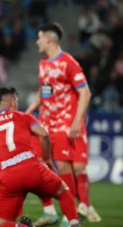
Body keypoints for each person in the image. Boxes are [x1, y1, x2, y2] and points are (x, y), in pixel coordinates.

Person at [0, 87, 80, 227]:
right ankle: (74, 224)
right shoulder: (24, 117)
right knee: (63, 191)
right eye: (17, 101)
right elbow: (44, 134)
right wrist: (46, 158)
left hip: (7, 178)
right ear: (13, 102)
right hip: (32, 170)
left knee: (2, 224)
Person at [25, 22, 101, 225]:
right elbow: (44, 91)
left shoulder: (69, 62)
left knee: (75, 168)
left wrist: (77, 121)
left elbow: (85, 92)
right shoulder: (43, 64)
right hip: (48, 124)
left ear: (48, 39)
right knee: (56, 168)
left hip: (66, 123)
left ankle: (77, 209)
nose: (37, 41)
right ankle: (68, 210)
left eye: (39, 37)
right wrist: (32, 108)